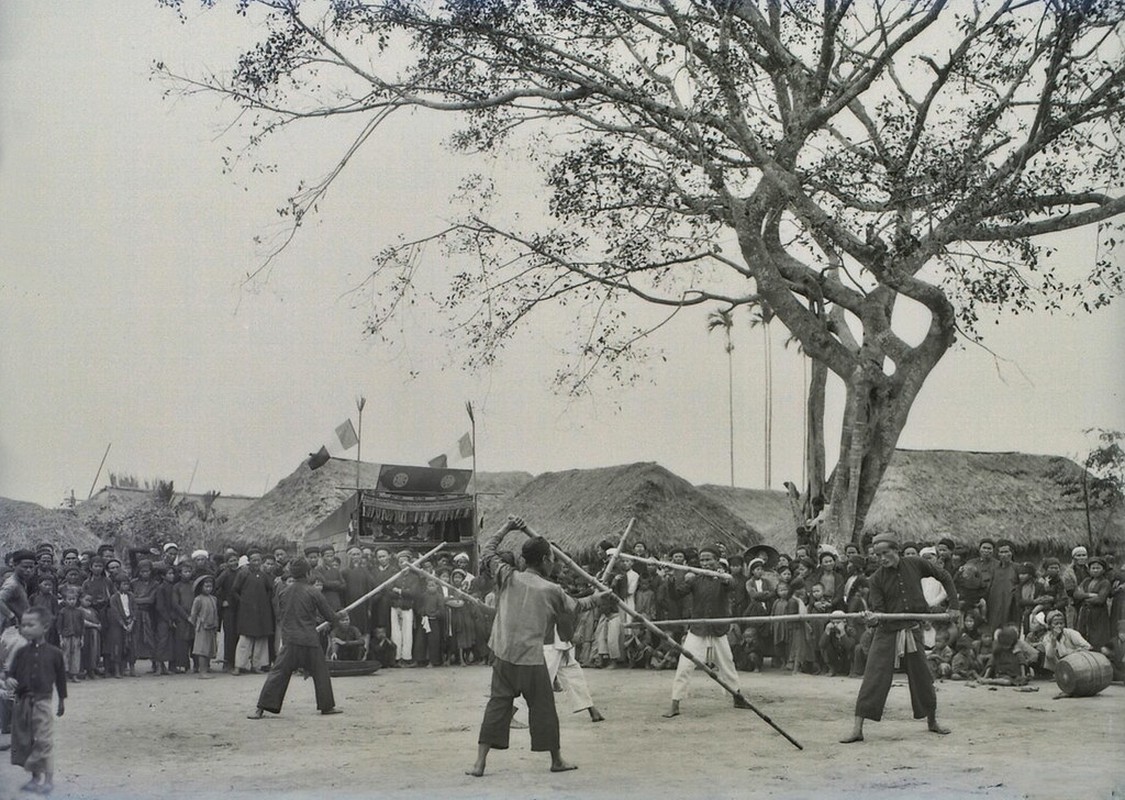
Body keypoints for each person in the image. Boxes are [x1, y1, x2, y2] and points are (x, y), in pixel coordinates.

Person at [467, 516, 604, 778]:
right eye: (551, 558)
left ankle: (479, 764)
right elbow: (577, 606)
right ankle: (556, 760)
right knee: (544, 709)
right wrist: (598, 598)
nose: (553, 563)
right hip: (530, 659)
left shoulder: (507, 575)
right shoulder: (551, 589)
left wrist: (507, 528)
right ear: (544, 561)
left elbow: (487, 551)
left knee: (497, 706)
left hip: (503, 656)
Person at [841, 533, 958, 743]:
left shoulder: (916, 563)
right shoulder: (876, 579)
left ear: (897, 550)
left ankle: (932, 722)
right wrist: (873, 619)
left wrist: (955, 607)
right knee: (873, 677)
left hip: (913, 629)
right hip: (887, 632)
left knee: (923, 676)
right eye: (878, 555)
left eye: (886, 553)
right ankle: (857, 729)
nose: (882, 558)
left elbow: (945, 577)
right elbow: (879, 611)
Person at [248, 557, 344, 718]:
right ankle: (327, 707)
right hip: (309, 640)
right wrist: (339, 615)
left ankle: (261, 709)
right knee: (321, 673)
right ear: (308, 573)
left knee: (278, 674)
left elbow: (283, 617)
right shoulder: (313, 592)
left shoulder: (284, 592)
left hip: (291, 640)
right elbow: (330, 617)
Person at [663, 546, 751, 717]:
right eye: (702, 560)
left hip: (718, 629)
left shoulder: (723, 578)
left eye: (709, 559)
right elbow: (676, 596)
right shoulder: (694, 579)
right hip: (698, 629)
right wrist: (671, 580)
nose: (705, 563)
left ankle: (737, 697)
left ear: (717, 560)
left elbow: (732, 585)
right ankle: (675, 703)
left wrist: (721, 576)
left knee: (727, 664)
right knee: (685, 666)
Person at [6, 607, 66, 795]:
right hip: (23, 703)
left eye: (31, 625)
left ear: (45, 627)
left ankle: (48, 780)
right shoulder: (21, 652)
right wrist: (9, 680)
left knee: (44, 741)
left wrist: (62, 700)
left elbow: (61, 679)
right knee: (28, 742)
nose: (25, 629)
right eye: (23, 625)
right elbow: (11, 674)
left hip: (42, 702)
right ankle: (34, 779)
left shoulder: (55, 653)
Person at [189, 575, 220, 675]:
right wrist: (196, 624)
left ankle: (206, 668)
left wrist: (215, 624)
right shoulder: (198, 599)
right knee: (202, 650)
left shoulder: (214, 598)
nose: (208, 589)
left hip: (211, 627)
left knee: (209, 649)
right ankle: (202, 671)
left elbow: (215, 613)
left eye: (210, 586)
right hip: (202, 628)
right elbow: (193, 614)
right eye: (206, 586)